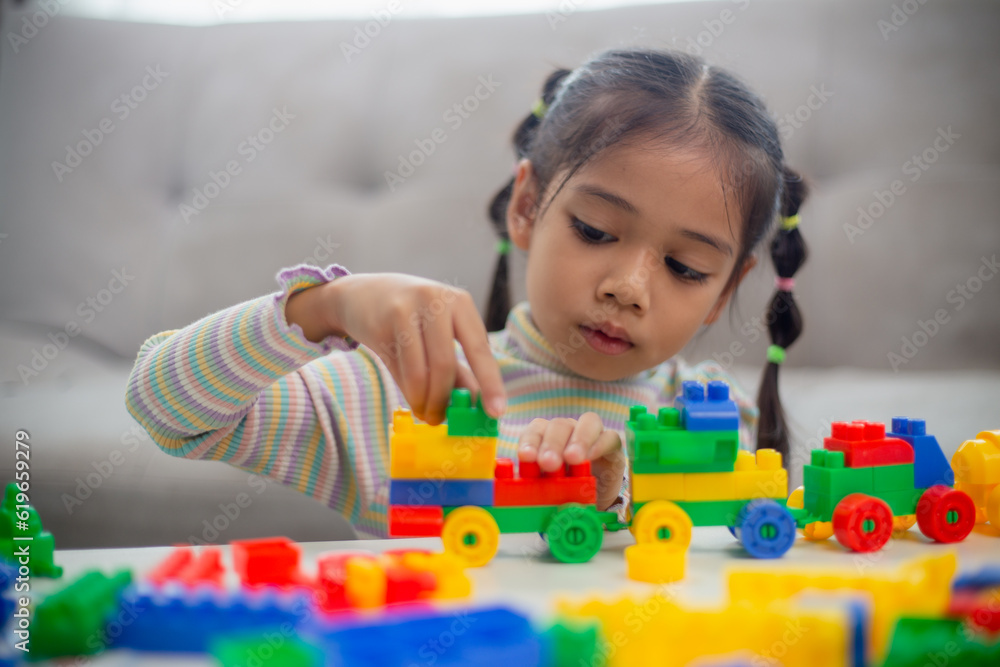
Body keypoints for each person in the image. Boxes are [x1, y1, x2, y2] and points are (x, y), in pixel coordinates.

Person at [125, 48, 808, 539]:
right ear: (527, 207)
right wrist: (321, 308)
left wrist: (617, 490)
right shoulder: (397, 394)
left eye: (686, 268)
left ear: (725, 293)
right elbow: (163, 406)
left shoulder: (716, 416)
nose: (628, 288)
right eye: (596, 229)